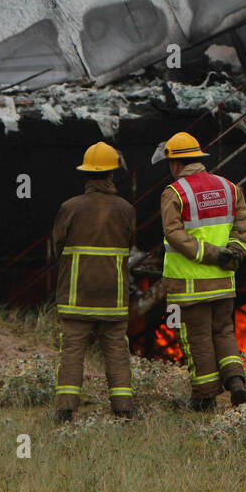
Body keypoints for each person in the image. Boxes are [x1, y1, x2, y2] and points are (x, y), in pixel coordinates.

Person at [157, 131, 246, 411]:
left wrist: (208, 254)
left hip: (190, 285)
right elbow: (243, 226)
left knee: (196, 337)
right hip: (224, 280)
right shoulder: (229, 187)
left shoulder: (174, 192)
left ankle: (204, 399)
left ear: (176, 164)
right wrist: (234, 253)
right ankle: (236, 381)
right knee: (224, 331)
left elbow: (173, 233)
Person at [49, 141, 137, 423]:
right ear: (112, 174)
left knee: (73, 350)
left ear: (86, 174)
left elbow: (56, 246)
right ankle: (123, 409)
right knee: (116, 350)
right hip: (113, 295)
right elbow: (131, 242)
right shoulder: (126, 209)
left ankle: (65, 409)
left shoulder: (69, 207)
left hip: (77, 293)